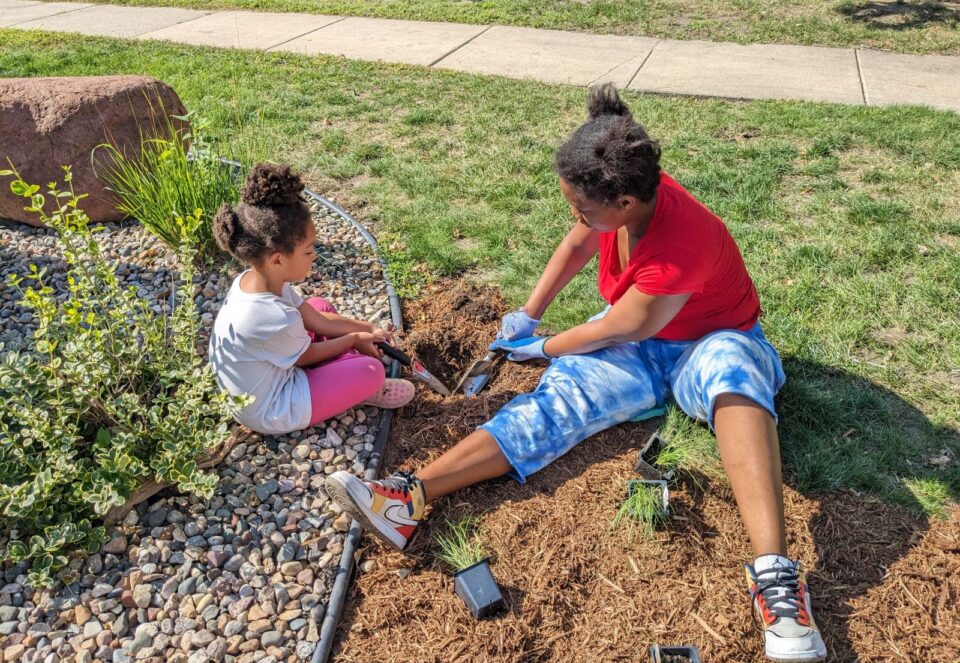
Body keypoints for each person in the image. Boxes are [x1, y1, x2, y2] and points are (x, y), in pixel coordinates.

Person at [325, 86, 826, 662]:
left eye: (585, 209)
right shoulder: (610, 203)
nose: (577, 217)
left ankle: (777, 581)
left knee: (734, 374)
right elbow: (578, 245)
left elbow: (621, 327)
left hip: (703, 344)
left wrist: (542, 345)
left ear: (627, 201)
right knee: (555, 405)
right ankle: (408, 499)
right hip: (637, 341)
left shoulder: (683, 240)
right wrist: (530, 311)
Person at [208, 163, 414, 436]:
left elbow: (315, 318)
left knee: (320, 306)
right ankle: (354, 387)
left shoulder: (257, 279)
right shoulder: (269, 316)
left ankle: (340, 375)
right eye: (308, 251)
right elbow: (305, 357)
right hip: (273, 407)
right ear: (278, 259)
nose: (314, 255)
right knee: (371, 371)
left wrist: (367, 328)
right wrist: (353, 340)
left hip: (274, 369)